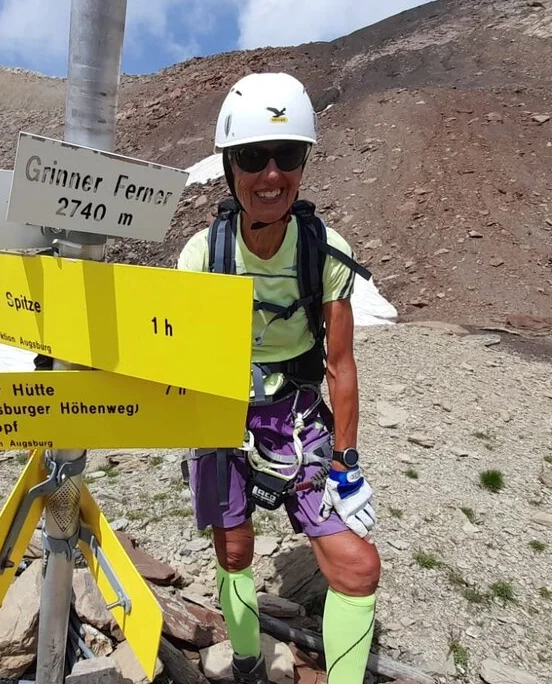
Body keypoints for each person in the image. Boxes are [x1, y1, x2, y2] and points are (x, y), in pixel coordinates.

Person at [176, 73, 382, 684]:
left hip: (297, 422)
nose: (271, 175)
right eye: (251, 158)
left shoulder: (323, 250)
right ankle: (245, 664)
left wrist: (345, 460)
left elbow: (340, 366)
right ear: (229, 166)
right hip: (222, 419)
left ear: (303, 162)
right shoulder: (200, 258)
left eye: (287, 155)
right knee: (234, 551)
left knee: (356, 569)